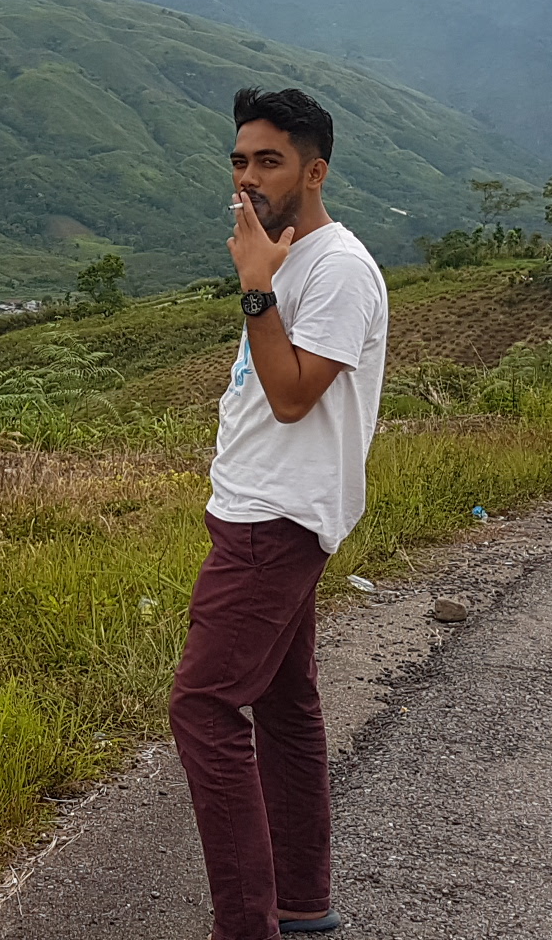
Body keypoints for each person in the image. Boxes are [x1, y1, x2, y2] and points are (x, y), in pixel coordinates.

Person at [171, 86, 390, 940]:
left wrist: (255, 288)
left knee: (204, 706)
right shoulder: (287, 253)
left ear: (315, 170)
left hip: (277, 521)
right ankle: (301, 902)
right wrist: (264, 272)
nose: (248, 177)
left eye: (269, 161)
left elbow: (294, 397)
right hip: (257, 508)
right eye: (239, 160)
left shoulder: (336, 269)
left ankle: (246, 926)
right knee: (286, 702)